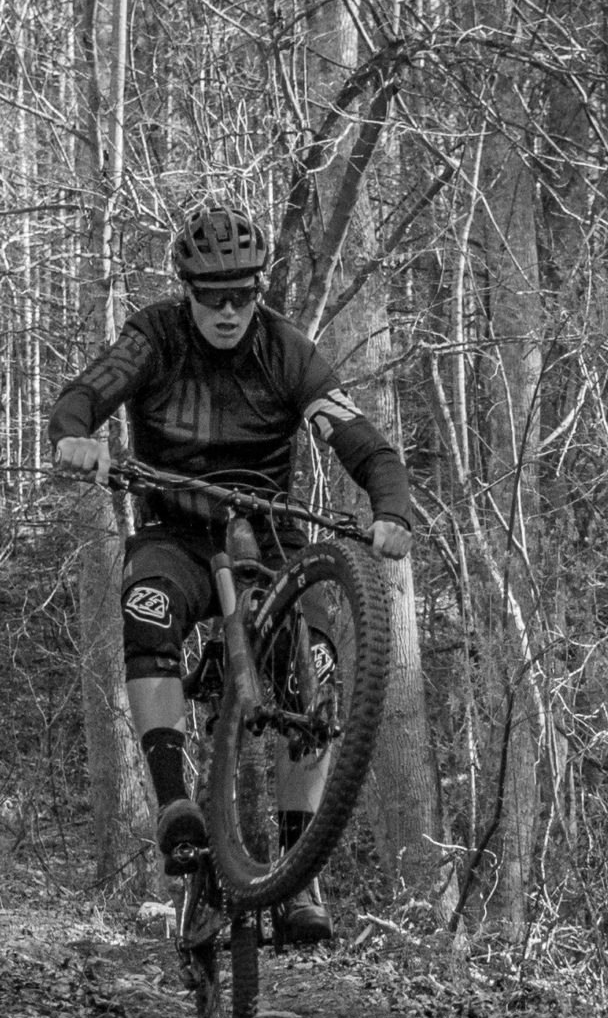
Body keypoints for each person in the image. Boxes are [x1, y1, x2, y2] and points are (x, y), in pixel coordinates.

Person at [50, 204, 414, 944]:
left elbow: (359, 438)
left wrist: (390, 508)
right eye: (211, 293)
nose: (227, 308)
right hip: (175, 532)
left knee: (313, 666)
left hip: (266, 538)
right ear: (184, 288)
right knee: (146, 606)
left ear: (260, 288)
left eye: (242, 292)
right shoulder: (153, 336)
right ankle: (176, 807)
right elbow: (86, 392)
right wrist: (75, 436)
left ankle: (299, 874)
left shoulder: (287, 350)